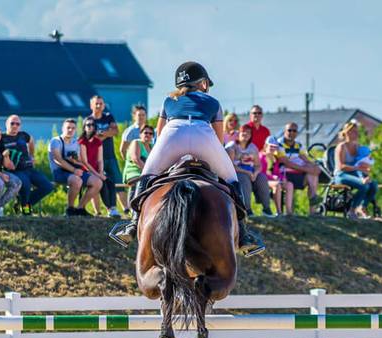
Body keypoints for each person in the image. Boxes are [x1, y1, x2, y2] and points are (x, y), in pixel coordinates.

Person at [112, 61, 263, 255]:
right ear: (201, 83)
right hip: (203, 137)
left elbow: (159, 134)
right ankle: (243, 235)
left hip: (173, 135)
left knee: (147, 175)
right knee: (232, 180)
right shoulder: (213, 103)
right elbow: (218, 138)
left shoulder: (168, 101)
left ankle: (132, 226)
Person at [48, 118, 103, 217]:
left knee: (97, 182)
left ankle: (80, 208)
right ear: (63, 128)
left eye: (73, 128)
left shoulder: (76, 142)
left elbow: (80, 161)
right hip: (59, 171)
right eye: (68, 128)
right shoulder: (55, 141)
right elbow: (58, 160)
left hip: (74, 170)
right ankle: (70, 208)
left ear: (76, 130)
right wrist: (74, 170)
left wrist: (75, 161)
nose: (70, 130)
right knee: (77, 180)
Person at [2, 115, 54, 214]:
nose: (15, 126)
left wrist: (32, 155)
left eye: (17, 124)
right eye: (12, 123)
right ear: (6, 124)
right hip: (14, 170)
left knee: (48, 186)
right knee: (25, 185)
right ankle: (26, 211)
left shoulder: (23, 135)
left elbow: (31, 141)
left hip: (28, 168)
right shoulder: (2, 138)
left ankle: (22, 203)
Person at [333, 121, 378, 219]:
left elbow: (361, 162)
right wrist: (358, 168)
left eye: (357, 132)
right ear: (347, 132)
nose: (357, 134)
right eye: (354, 132)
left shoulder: (358, 147)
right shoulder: (341, 147)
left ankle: (362, 207)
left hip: (355, 174)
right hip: (341, 175)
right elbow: (341, 166)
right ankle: (352, 210)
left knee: (373, 184)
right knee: (363, 186)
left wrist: (366, 167)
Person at [227, 125, 272, 216]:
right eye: (243, 131)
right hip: (237, 172)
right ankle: (247, 209)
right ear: (238, 134)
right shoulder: (231, 147)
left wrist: (255, 173)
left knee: (262, 178)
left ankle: (266, 208)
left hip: (251, 172)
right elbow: (230, 166)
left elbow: (258, 165)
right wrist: (247, 173)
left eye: (248, 132)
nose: (245, 134)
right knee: (244, 179)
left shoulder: (253, 147)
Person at [89, 96, 122, 218]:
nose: (98, 106)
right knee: (96, 183)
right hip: (95, 158)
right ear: (91, 105)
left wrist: (101, 134)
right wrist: (107, 133)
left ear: (103, 105)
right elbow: (90, 138)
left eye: (101, 103)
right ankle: (97, 212)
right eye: (96, 104)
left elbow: (115, 131)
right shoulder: (88, 120)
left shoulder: (109, 116)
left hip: (110, 156)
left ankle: (123, 209)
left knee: (115, 182)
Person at [277, 122, 322, 213]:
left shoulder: (298, 145)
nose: (292, 133)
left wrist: (315, 167)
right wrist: (308, 169)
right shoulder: (279, 144)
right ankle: (314, 197)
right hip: (285, 174)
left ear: (297, 133)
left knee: (313, 174)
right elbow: (286, 163)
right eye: (289, 130)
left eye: (294, 131)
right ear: (284, 131)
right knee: (311, 172)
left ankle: (313, 212)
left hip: (298, 172)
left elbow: (305, 159)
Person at [78, 116, 109, 215]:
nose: (90, 127)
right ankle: (80, 208)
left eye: (92, 125)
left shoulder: (98, 141)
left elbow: (100, 160)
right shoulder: (81, 141)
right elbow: (84, 162)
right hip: (84, 170)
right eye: (88, 125)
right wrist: (98, 175)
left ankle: (99, 211)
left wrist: (101, 172)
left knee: (107, 182)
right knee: (97, 181)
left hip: (95, 171)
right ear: (84, 127)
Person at [262, 137, 293, 216]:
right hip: (264, 180)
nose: (273, 148)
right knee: (277, 185)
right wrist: (273, 177)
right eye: (271, 146)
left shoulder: (275, 158)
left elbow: (278, 173)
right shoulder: (261, 157)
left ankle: (289, 212)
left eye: (275, 146)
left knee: (289, 185)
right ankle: (279, 212)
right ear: (266, 146)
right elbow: (261, 173)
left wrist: (283, 178)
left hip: (275, 180)